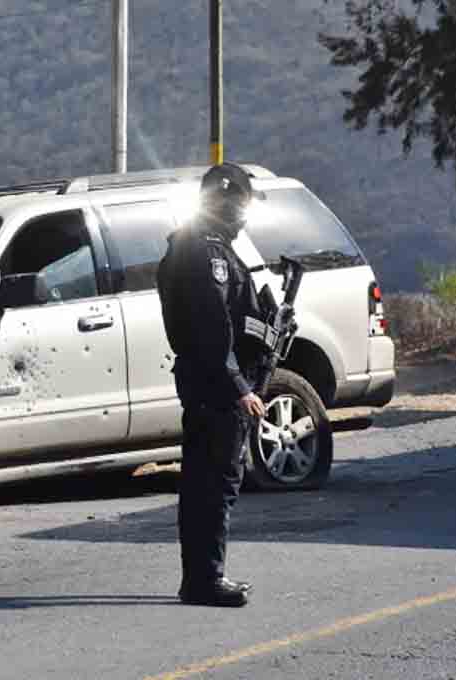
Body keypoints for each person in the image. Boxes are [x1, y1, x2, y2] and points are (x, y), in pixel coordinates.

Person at [156, 162, 269, 607]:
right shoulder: (208, 254)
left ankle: (201, 576)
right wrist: (240, 387)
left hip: (204, 382)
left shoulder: (194, 246)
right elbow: (213, 328)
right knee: (216, 483)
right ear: (229, 204)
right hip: (215, 387)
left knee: (201, 482)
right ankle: (205, 580)